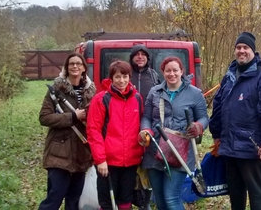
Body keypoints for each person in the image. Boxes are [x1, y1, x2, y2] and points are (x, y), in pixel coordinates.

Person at [209, 31, 261, 210]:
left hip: (252, 148)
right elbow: (218, 106)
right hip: (229, 148)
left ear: (253, 52)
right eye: (238, 47)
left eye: (245, 47)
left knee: (258, 195)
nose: (241, 51)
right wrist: (216, 135)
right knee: (235, 194)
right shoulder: (229, 77)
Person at [139, 56, 209, 210]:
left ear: (181, 71)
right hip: (155, 150)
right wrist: (145, 130)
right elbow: (146, 117)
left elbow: (204, 117)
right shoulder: (154, 92)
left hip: (180, 152)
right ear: (162, 72)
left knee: (171, 198)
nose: (172, 74)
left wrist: (198, 126)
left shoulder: (195, 93)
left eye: (175, 70)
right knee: (160, 200)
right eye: (168, 71)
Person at [38, 53, 96, 210]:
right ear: (66, 67)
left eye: (78, 63)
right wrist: (72, 116)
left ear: (84, 67)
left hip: (82, 152)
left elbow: (97, 120)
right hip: (59, 152)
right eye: (71, 64)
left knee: (74, 201)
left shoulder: (91, 92)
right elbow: (44, 118)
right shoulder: (56, 90)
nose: (75, 66)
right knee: (53, 199)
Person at [87, 60, 144, 210]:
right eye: (118, 77)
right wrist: (100, 160)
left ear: (130, 77)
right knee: (107, 202)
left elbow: (142, 125)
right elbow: (93, 130)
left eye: (125, 76)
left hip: (131, 160)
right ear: (111, 78)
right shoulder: (101, 99)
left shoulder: (137, 98)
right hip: (108, 162)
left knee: (125, 200)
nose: (122, 81)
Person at [129, 44, 160, 210]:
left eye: (143, 55)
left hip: (149, 126)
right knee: (131, 165)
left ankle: (145, 203)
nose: (140, 57)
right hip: (129, 126)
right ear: (132, 57)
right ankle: (129, 199)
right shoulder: (126, 74)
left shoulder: (154, 76)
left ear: (147, 58)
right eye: (137, 54)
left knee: (147, 165)